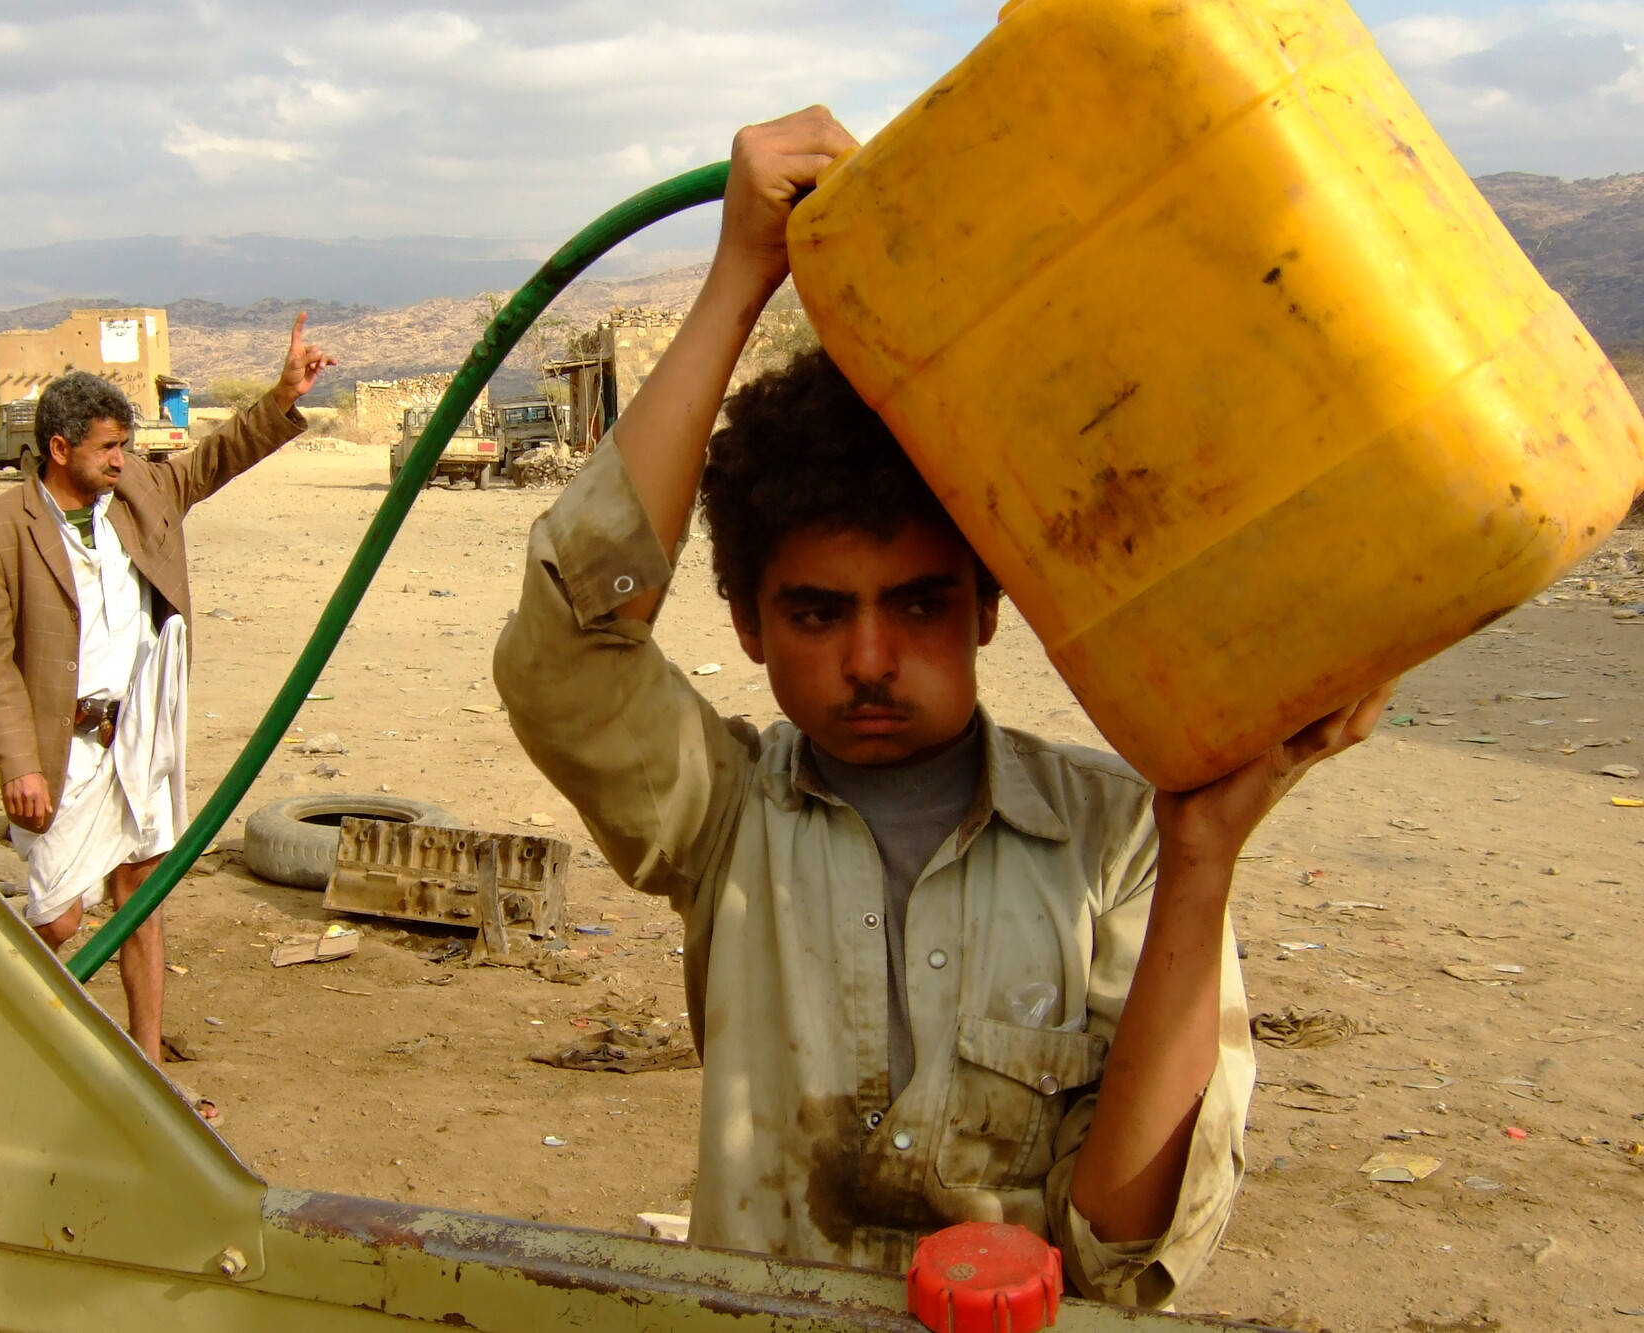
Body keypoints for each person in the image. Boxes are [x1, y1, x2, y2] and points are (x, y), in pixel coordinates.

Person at [493, 109, 1394, 1307]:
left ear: (984, 609)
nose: (869, 659)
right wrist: (737, 277)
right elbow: (567, 643)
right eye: (816, 613)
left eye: (917, 606)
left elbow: (1120, 1243)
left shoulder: (1120, 838)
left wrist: (1202, 856)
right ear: (749, 627)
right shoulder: (723, 825)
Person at [0, 316, 335, 1071]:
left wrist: (283, 394)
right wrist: (16, 765)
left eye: (124, 446)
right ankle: (0, 1030)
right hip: (61, 750)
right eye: (107, 448)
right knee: (62, 919)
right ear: (60, 449)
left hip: (138, 740)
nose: (121, 460)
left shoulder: (138, 494)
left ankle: (145, 1060)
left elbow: (216, 459)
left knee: (142, 901)